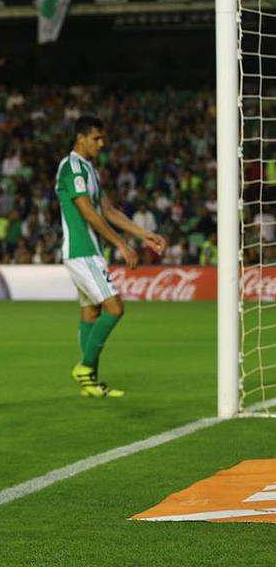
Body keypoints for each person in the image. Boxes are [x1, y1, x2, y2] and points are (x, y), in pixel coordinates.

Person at [55, 116, 165, 398]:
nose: (102, 144)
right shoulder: (72, 168)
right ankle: (85, 367)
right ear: (81, 137)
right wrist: (120, 244)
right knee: (115, 307)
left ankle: (89, 383)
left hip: (89, 251)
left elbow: (108, 209)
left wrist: (142, 234)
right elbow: (88, 212)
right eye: (97, 138)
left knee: (91, 312)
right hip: (83, 251)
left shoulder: (90, 169)